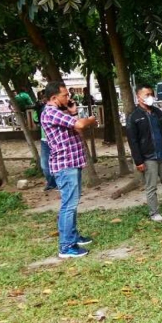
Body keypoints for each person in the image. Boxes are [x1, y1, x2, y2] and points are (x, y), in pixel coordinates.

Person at [41, 81, 98, 258]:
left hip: (72, 163)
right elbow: (80, 125)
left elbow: (76, 129)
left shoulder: (59, 112)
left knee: (72, 204)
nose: (68, 97)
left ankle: (73, 236)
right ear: (53, 98)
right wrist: (91, 120)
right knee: (69, 205)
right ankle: (66, 246)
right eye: (65, 95)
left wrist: (73, 113)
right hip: (65, 166)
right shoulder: (50, 112)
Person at [126, 85, 162, 222]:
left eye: (151, 94)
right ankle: (154, 212)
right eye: (147, 94)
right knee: (151, 186)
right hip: (148, 157)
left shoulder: (157, 112)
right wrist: (138, 161)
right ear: (138, 97)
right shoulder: (134, 117)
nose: (150, 97)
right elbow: (133, 141)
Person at [32, 90, 57, 191]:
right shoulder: (41, 108)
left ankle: (59, 183)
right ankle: (52, 183)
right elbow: (36, 120)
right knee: (45, 165)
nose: (43, 99)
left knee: (58, 163)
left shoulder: (56, 109)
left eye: (45, 97)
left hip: (56, 139)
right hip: (44, 139)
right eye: (42, 97)